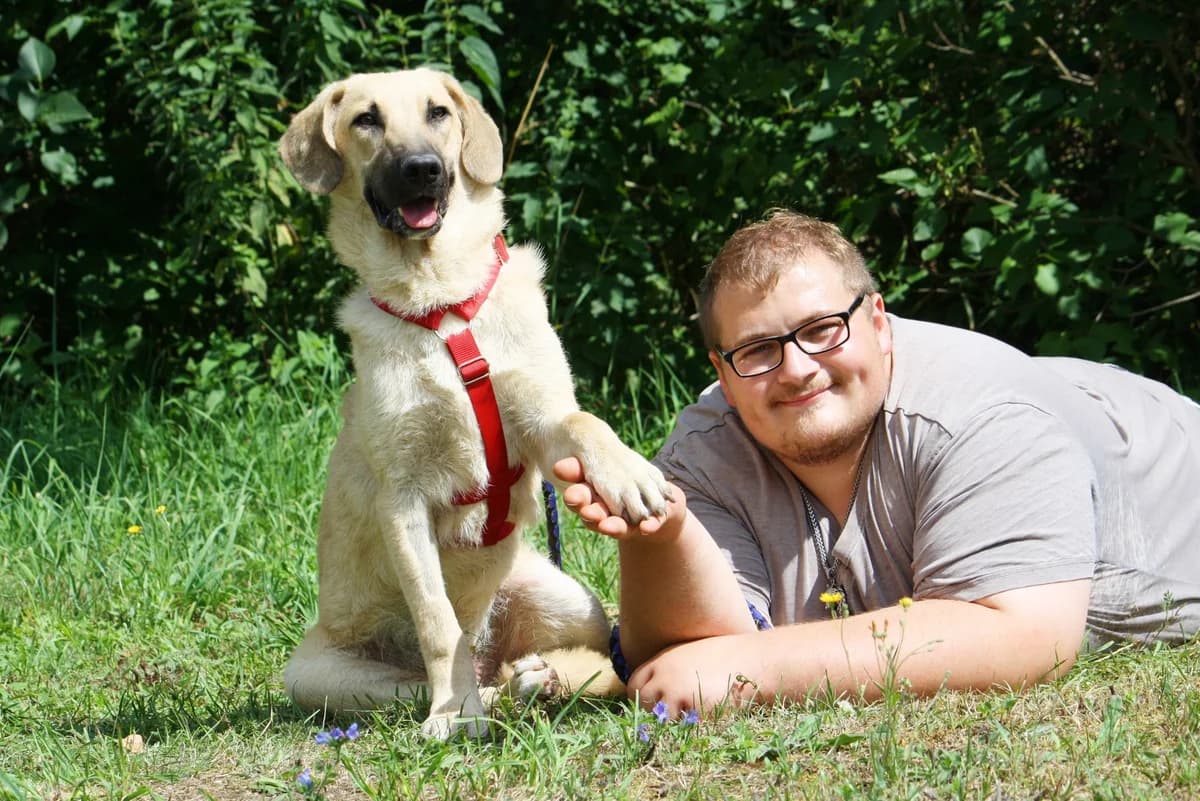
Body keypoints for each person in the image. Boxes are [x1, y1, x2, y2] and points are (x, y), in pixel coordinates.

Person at [554, 209, 1200, 718]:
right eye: (757, 349)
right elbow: (696, 645)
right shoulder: (706, 449)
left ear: (881, 323)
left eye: (822, 328)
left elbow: (1027, 636)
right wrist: (667, 535)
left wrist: (760, 668)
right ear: (721, 370)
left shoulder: (983, 414)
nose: (797, 368)